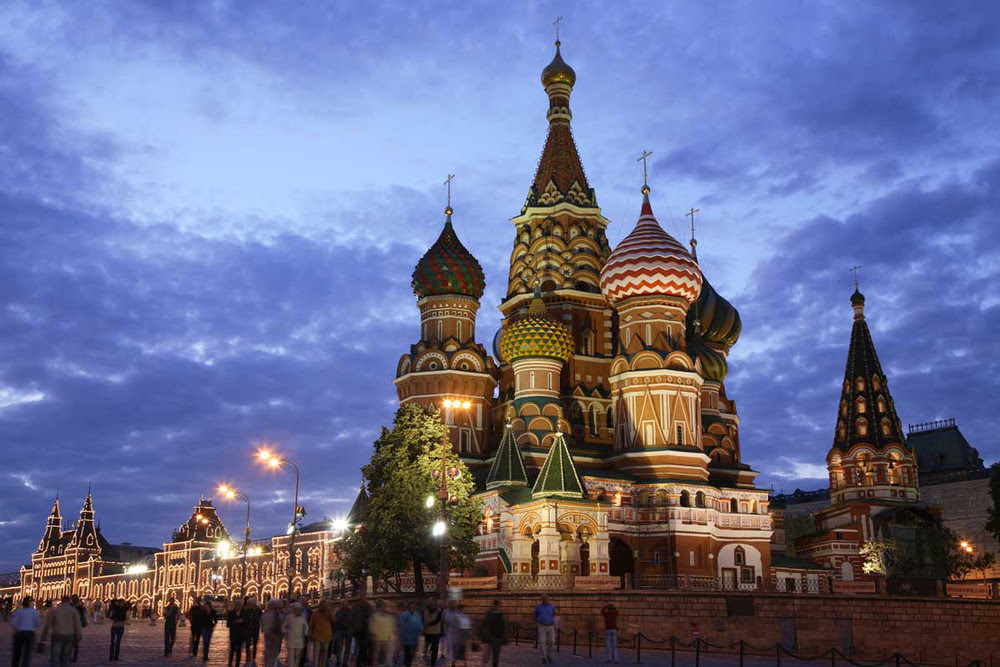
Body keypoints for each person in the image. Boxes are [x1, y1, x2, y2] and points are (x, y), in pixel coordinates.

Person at [38, 595, 82, 667]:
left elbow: (47, 624)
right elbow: (77, 625)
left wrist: (44, 635)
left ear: (61, 601)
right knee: (66, 656)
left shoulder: (56, 610)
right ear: (69, 601)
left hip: (57, 635)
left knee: (55, 655)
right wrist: (78, 635)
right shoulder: (73, 611)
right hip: (69, 635)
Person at [9, 595, 42, 667]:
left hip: (19, 633)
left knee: (17, 653)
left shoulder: (18, 612)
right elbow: (38, 623)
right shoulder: (34, 612)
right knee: (27, 653)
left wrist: (18, 628)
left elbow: (13, 623)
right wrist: (32, 627)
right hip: (30, 633)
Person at [479, 599, 507, 667]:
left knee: (496, 655)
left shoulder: (501, 614)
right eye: (496, 605)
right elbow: (484, 625)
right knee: (486, 655)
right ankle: (484, 665)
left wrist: (504, 637)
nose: (497, 607)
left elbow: (503, 626)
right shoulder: (490, 613)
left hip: (497, 638)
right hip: (489, 638)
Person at [369, 600, 396, 667]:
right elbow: (372, 628)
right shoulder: (375, 616)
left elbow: (391, 627)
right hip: (378, 640)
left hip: (386, 639)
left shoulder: (387, 616)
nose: (383, 608)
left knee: (384, 657)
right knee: (377, 657)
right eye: (382, 606)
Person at [397, 600, 423, 667]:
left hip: (415, 636)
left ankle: (409, 663)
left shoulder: (417, 614)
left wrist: (420, 630)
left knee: (413, 652)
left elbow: (419, 623)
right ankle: (407, 664)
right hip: (406, 637)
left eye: (413, 607)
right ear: (408, 607)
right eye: (410, 606)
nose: (412, 608)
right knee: (407, 652)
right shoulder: (404, 615)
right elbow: (401, 625)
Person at [308, 601, 334, 667]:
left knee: (324, 655)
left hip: (326, 637)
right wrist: (311, 634)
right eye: (322, 605)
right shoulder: (315, 614)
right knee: (316, 655)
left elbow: (334, 620)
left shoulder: (328, 613)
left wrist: (329, 612)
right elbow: (311, 625)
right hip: (317, 637)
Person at [350, 592, 373, 667]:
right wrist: (353, 628)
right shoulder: (356, 607)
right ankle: (362, 662)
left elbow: (372, 616)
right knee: (361, 647)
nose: (363, 599)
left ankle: (362, 662)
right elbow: (353, 618)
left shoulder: (368, 606)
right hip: (359, 630)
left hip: (366, 630)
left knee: (363, 647)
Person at [284, 603, 309, 667]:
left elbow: (306, 627)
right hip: (291, 640)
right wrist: (286, 633)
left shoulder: (302, 618)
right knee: (291, 657)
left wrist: (305, 633)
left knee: (297, 657)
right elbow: (283, 627)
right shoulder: (289, 617)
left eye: (299, 609)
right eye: (296, 609)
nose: (298, 610)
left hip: (299, 640)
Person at [262, 598, 284, 667]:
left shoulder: (278, 614)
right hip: (272, 639)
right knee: (271, 657)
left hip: (274, 639)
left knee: (271, 657)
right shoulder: (270, 615)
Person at [534, 594, 556, 665]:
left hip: (550, 625)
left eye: (546, 598)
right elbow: (535, 615)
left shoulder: (551, 607)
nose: (545, 599)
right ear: (542, 599)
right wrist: (537, 621)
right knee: (542, 641)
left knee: (552, 641)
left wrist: (554, 622)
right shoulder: (538, 607)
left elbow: (554, 614)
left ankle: (548, 654)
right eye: (544, 598)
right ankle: (544, 657)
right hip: (542, 626)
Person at [226, 599, 248, 667]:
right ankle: (230, 662)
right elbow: (228, 624)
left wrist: (242, 622)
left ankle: (237, 664)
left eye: (239, 605)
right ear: (234, 605)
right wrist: (235, 622)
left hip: (241, 634)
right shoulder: (231, 613)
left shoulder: (244, 613)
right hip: (233, 634)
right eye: (236, 605)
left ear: (241, 605)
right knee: (232, 649)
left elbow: (247, 623)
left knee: (239, 650)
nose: (238, 606)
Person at [422, 598, 443, 667]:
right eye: (430, 602)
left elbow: (437, 620)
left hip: (436, 632)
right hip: (427, 632)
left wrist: (427, 623)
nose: (432, 604)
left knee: (435, 648)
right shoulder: (425, 610)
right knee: (426, 647)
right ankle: (426, 659)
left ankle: (433, 663)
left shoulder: (439, 611)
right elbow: (422, 618)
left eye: (433, 602)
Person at [332, 599, 351, 667]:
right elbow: (335, 620)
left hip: (348, 630)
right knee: (339, 646)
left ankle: (345, 662)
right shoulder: (338, 611)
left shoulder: (350, 611)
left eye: (345, 603)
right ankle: (338, 660)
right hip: (340, 630)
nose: (344, 605)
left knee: (347, 647)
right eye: (342, 603)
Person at [244, 597, 262, 665]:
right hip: (248, 629)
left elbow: (261, 618)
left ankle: (253, 657)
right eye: (250, 604)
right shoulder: (245, 610)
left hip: (255, 629)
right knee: (247, 644)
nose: (251, 605)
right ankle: (247, 657)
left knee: (255, 644)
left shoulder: (258, 610)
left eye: (252, 603)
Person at [70, 594, 87, 662]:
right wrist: (84, 623)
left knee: (73, 643)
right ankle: (74, 656)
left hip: (72, 627)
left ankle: (72, 656)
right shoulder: (80, 608)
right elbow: (84, 618)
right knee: (75, 643)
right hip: (75, 627)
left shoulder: (69, 607)